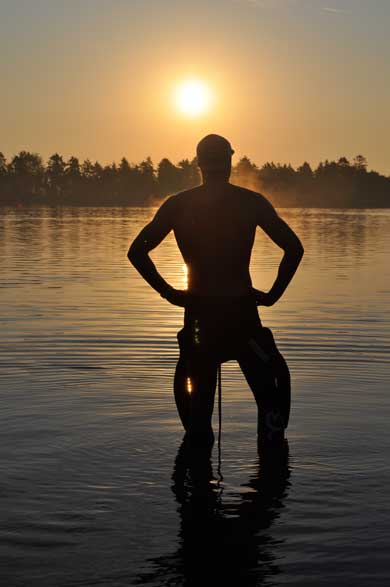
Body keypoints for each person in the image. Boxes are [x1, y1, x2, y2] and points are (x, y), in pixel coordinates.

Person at [128, 134, 304, 445]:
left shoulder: (179, 205)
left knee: (198, 420)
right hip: (241, 315)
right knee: (270, 407)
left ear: (198, 164)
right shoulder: (251, 203)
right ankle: (272, 479)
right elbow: (294, 248)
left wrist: (169, 294)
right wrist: (273, 295)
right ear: (230, 162)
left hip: (200, 317)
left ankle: (196, 480)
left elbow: (137, 251)